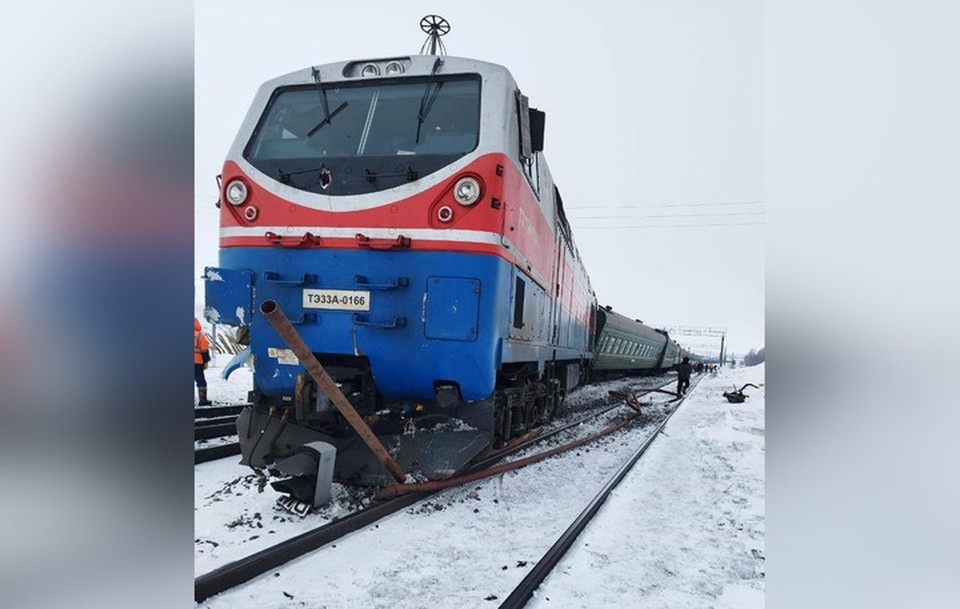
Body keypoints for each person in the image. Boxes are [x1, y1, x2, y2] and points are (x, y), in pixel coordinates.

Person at [194, 317, 212, 406]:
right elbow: (205, 350)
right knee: (201, 381)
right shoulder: (200, 335)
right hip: (197, 363)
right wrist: (206, 361)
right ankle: (203, 400)